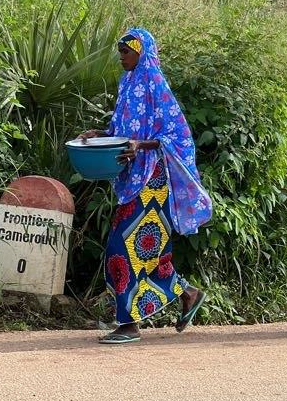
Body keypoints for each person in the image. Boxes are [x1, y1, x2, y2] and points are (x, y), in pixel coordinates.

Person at [77, 28, 212, 344]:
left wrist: (142, 145)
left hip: (153, 180)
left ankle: (129, 324)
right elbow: (121, 130)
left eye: (126, 51)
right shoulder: (127, 84)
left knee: (121, 248)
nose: (121, 56)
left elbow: (178, 135)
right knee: (145, 249)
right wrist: (100, 133)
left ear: (142, 52)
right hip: (130, 180)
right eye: (120, 51)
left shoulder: (156, 84)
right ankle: (187, 293)